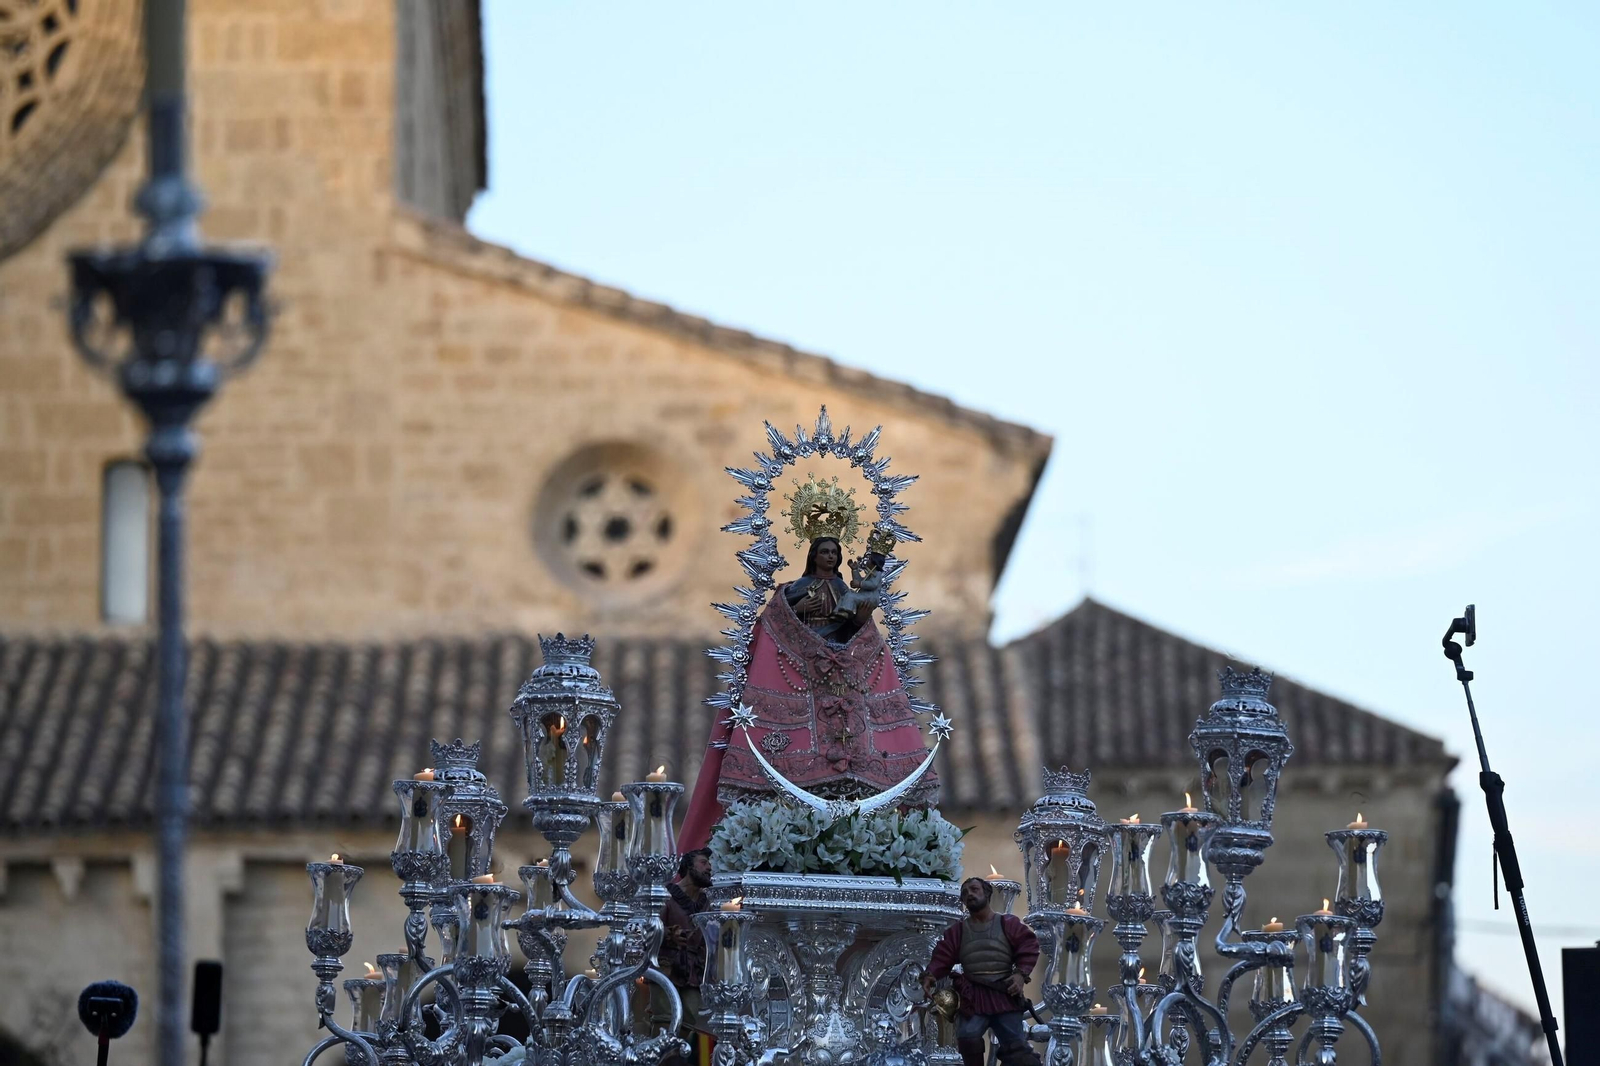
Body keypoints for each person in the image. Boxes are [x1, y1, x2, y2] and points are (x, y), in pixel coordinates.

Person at [676, 478, 940, 852]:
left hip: (842, 676)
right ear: (813, 553)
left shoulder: (846, 591)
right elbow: (778, 620)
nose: (830, 557)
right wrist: (801, 614)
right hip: (802, 676)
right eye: (824, 551)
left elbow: (856, 626)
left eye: (835, 552)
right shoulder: (793, 590)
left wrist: (863, 607)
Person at [922, 877, 1041, 1066]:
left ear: (986, 893)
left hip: (1004, 993)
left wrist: (1019, 975)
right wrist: (930, 975)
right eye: (965, 893)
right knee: (968, 1036)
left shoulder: (1007, 924)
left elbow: (1028, 945)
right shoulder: (958, 931)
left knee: (1015, 1045)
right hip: (974, 997)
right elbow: (942, 956)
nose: (969, 894)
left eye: (974, 889)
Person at [659, 848, 714, 1065]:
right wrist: (670, 934)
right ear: (689, 867)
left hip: (694, 969)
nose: (709, 867)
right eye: (703, 863)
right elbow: (651, 927)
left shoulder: (706, 903)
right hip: (667, 968)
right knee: (664, 1018)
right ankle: (660, 1056)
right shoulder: (668, 896)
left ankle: (671, 1056)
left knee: (689, 1015)